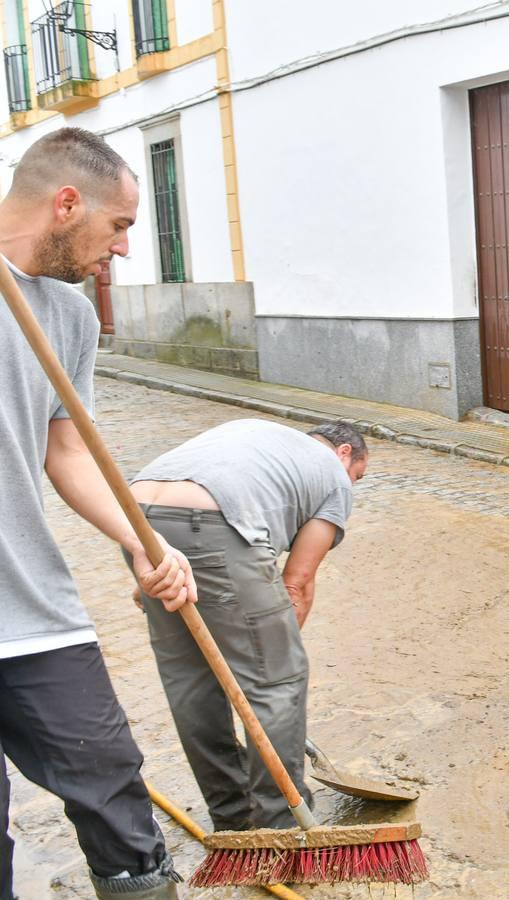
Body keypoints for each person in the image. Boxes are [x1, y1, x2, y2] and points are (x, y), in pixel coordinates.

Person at [0, 127, 198, 900]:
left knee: (111, 783)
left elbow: (66, 451)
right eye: (118, 227)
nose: (121, 250)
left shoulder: (71, 317)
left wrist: (142, 543)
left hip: (32, 602)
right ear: (66, 203)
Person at [126, 419, 367, 833]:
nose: (352, 485)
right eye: (357, 476)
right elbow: (297, 583)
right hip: (214, 519)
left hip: (135, 516)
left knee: (190, 679)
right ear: (345, 454)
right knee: (278, 680)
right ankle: (279, 824)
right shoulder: (333, 478)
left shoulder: (266, 440)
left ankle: (232, 816)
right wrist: (267, 661)